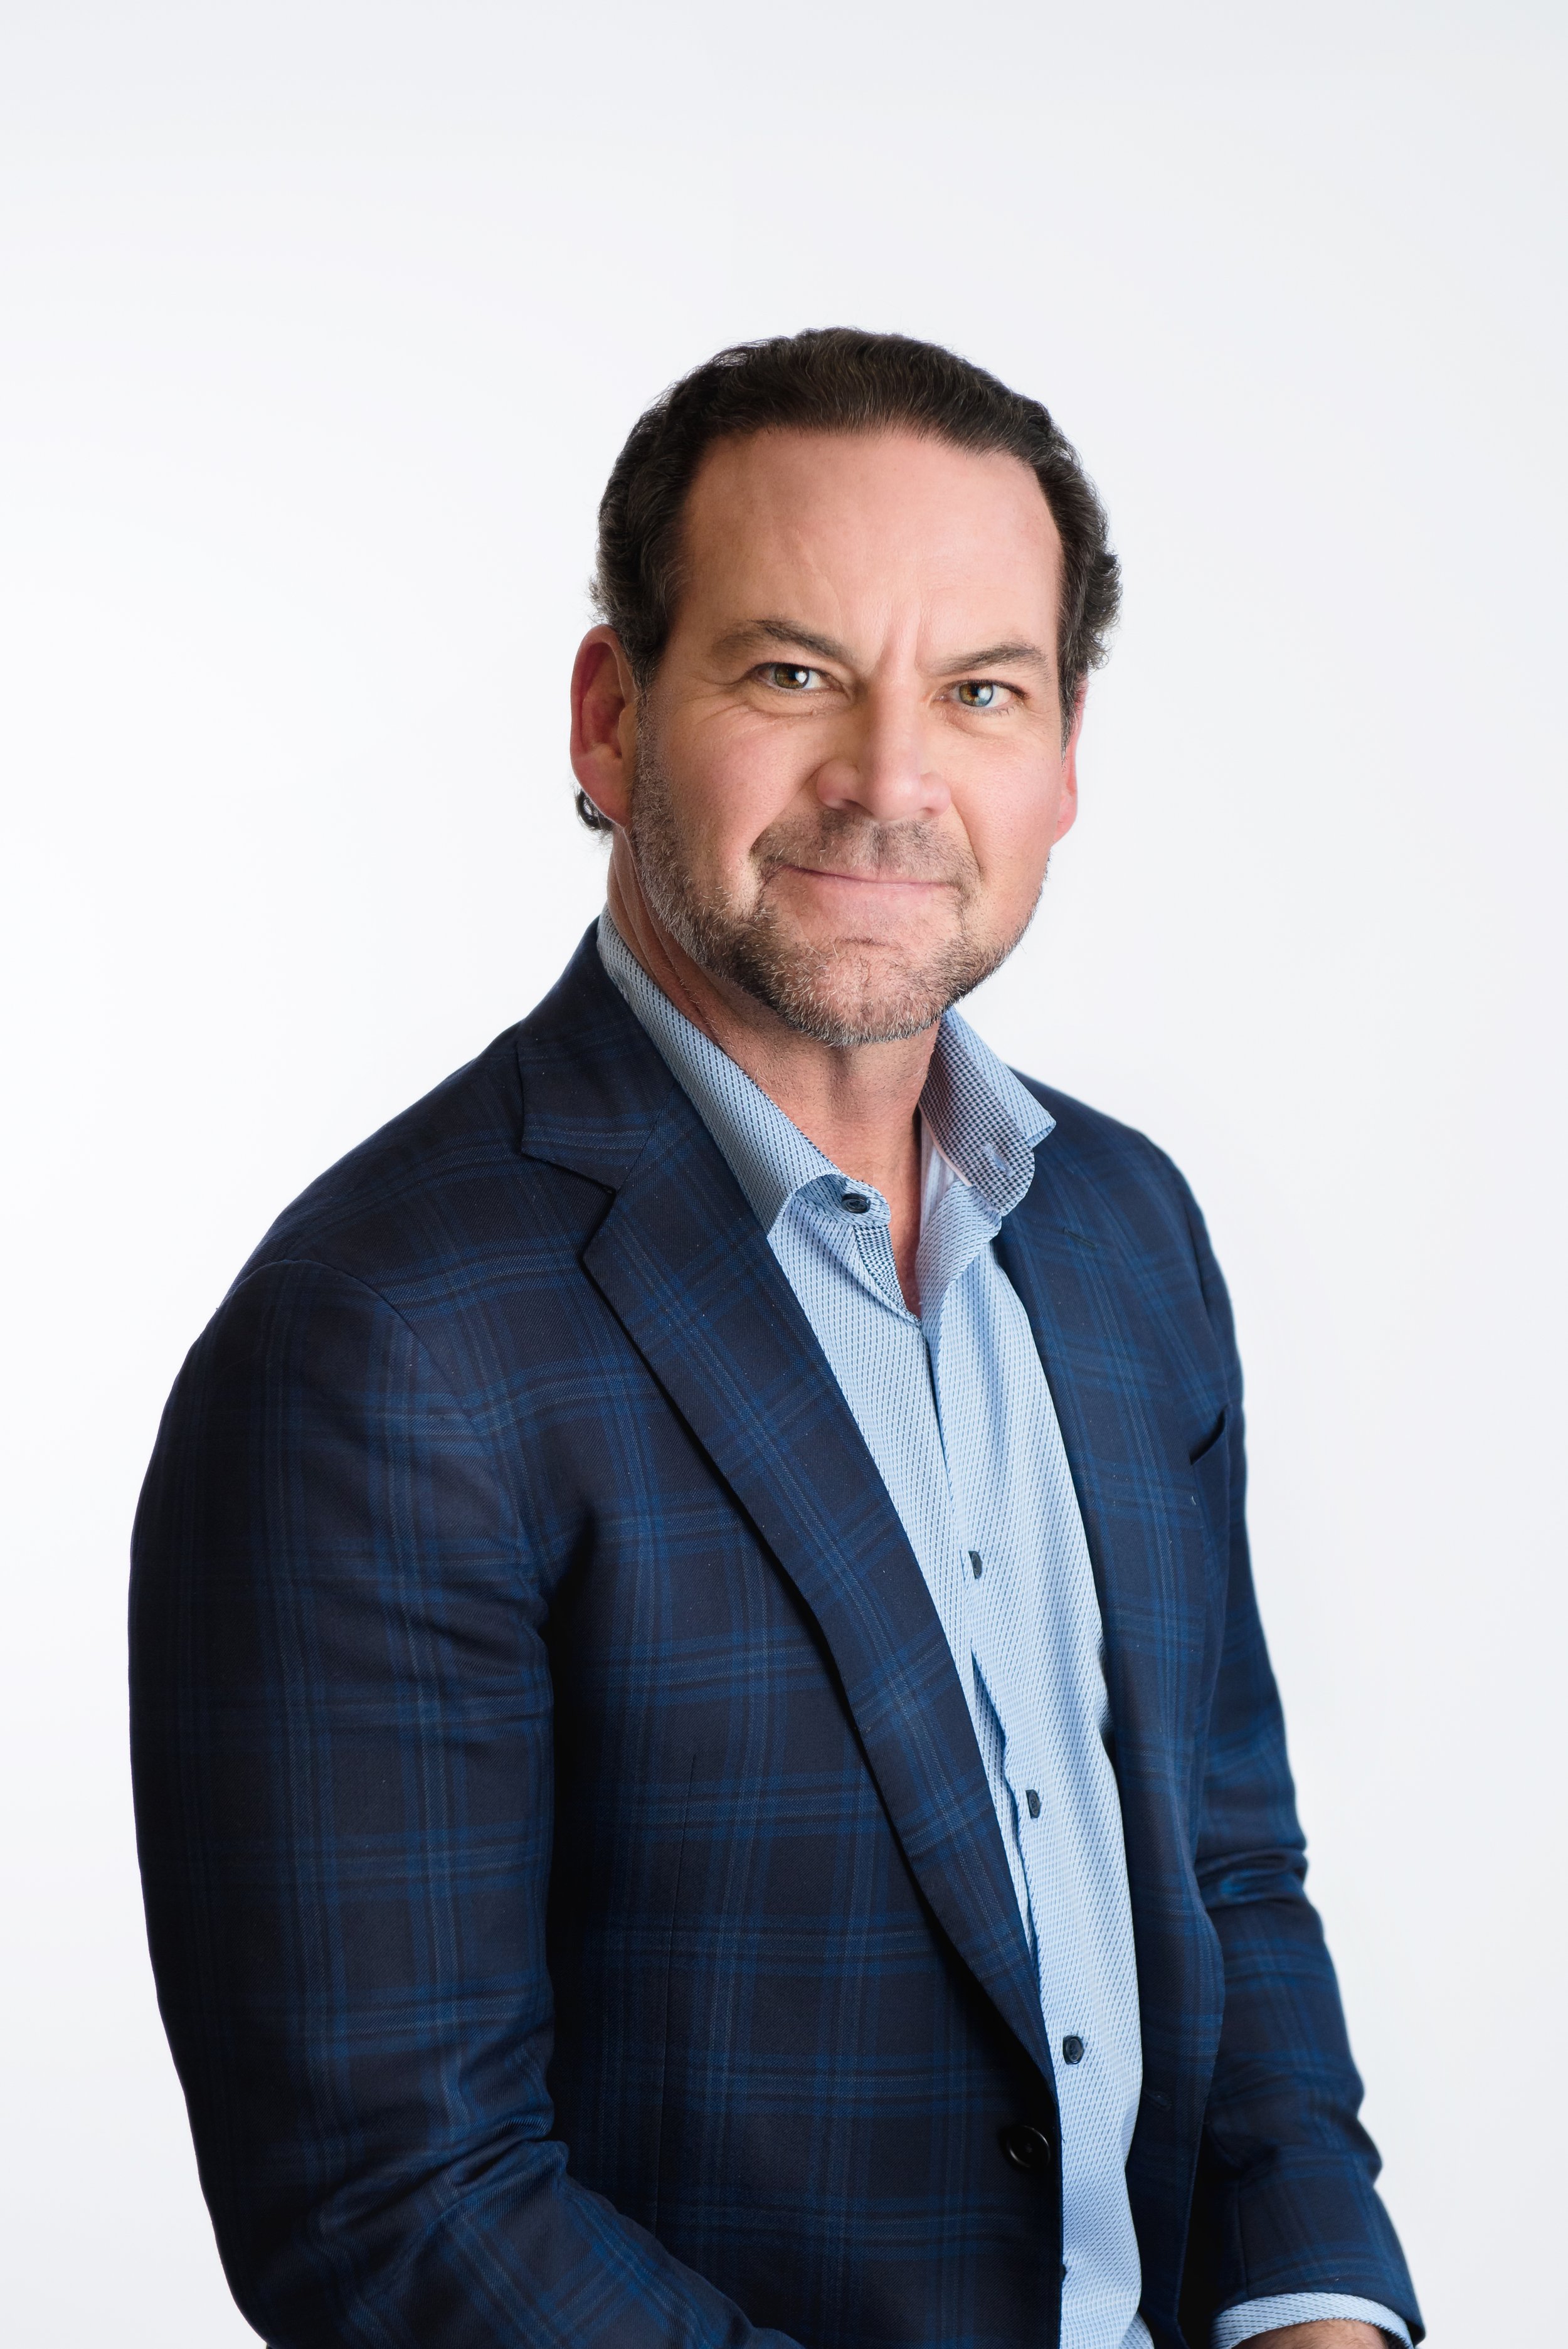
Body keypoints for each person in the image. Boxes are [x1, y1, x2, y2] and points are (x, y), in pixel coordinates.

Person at [130, 328, 1421, 2349]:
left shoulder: (1120, 1232)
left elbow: (1224, 1874)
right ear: (610, 718)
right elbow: (390, 2209)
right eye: (791, 672)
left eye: (979, 691)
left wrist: (1311, 2314)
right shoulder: (379, 1348)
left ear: (1065, 760)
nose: (888, 781)